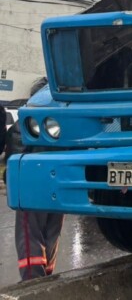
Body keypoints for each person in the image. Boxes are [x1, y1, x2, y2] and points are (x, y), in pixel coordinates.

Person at [7, 79, 64, 281]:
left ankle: (32, 282)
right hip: (57, 183)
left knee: (29, 234)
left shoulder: (31, 115)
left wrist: (14, 180)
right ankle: (45, 278)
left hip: (32, 181)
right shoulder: (64, 117)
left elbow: (16, 141)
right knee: (51, 233)